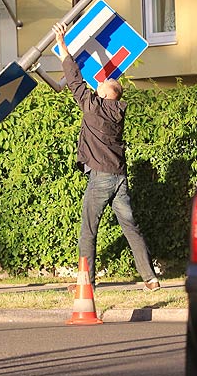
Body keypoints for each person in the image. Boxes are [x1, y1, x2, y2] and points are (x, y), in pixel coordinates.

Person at [53, 22, 160, 292]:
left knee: (88, 229)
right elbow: (88, 84)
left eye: (102, 84)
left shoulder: (93, 108)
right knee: (130, 226)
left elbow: (75, 80)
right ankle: (150, 278)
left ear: (105, 94)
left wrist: (63, 45)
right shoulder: (116, 111)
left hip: (101, 176)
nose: (99, 83)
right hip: (119, 176)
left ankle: (84, 284)